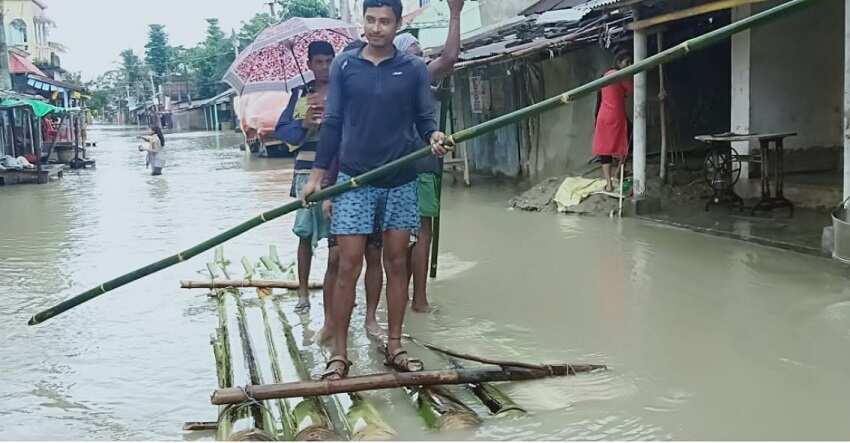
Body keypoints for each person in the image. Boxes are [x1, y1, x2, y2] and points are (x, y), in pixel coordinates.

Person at [302, 0, 449, 380]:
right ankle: (340, 354)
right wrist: (318, 175)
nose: (377, 27)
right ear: (362, 22)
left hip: (400, 178)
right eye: (371, 20)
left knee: (396, 263)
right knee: (347, 264)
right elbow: (332, 123)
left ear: (398, 25)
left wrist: (433, 136)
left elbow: (424, 120)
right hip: (354, 180)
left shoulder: (413, 68)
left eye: (385, 21)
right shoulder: (345, 66)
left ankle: (395, 343)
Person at [395, 0, 465, 314]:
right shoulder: (415, 74)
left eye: (421, 55)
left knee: (408, 233)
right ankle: (418, 300)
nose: (420, 60)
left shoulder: (401, 77)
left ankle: (411, 299)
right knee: (418, 232)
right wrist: (454, 12)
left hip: (407, 164)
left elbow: (447, 60)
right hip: (414, 163)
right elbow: (450, 57)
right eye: (415, 54)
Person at [275, 41, 336, 313]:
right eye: (318, 62)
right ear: (309, 64)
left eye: (328, 61)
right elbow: (284, 131)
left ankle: (334, 293)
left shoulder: (342, 92)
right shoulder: (301, 95)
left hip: (336, 172)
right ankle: (302, 293)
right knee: (305, 235)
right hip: (305, 172)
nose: (323, 67)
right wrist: (305, 123)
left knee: (338, 240)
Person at [592, 50, 634, 192]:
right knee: (628, 142)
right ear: (618, 63)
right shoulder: (622, 76)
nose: (629, 65)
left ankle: (609, 184)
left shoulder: (606, 75)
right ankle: (618, 173)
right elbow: (634, 90)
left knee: (605, 150)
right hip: (616, 117)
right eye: (627, 62)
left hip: (602, 116)